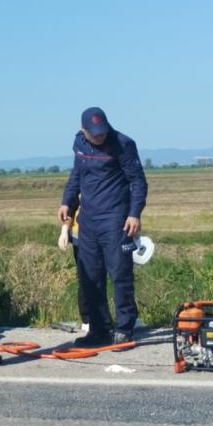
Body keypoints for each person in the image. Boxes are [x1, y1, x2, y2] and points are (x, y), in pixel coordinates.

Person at [58, 106, 148, 345]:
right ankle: (99, 329)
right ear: (83, 130)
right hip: (87, 220)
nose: (99, 136)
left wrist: (134, 214)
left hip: (116, 220)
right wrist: (67, 202)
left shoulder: (124, 144)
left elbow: (138, 182)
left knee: (120, 274)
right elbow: (76, 176)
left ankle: (125, 328)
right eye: (94, 133)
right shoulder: (79, 144)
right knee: (90, 276)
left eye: (102, 132)